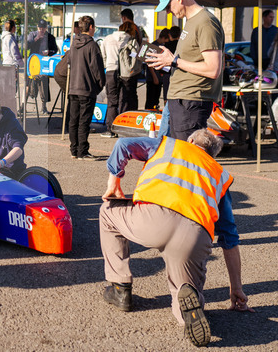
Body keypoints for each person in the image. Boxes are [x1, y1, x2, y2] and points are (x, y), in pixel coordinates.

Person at [99, 129, 252, 347]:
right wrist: (236, 288)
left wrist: (114, 181)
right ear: (212, 155)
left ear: (190, 140)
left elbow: (123, 145)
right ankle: (187, 308)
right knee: (184, 291)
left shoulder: (168, 145)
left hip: (152, 219)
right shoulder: (218, 174)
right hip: (194, 236)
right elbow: (230, 238)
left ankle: (120, 287)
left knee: (107, 213)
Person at [146, 0, 224, 141]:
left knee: (185, 158)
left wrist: (174, 61)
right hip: (182, 100)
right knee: (174, 155)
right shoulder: (192, 21)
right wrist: (166, 62)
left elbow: (213, 69)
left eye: (168, 7)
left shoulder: (205, 22)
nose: (168, 12)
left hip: (191, 102)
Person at [54, 16, 105, 160]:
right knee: (84, 121)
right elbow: (97, 69)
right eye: (94, 27)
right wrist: (99, 85)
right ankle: (82, 150)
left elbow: (68, 63)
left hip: (73, 87)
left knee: (74, 120)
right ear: (90, 27)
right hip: (86, 88)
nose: (94, 30)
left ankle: (74, 149)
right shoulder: (92, 45)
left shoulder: (73, 45)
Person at [100, 22, 131, 138]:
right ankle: (123, 127)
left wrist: (107, 65)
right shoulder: (129, 39)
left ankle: (111, 129)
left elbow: (103, 56)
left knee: (112, 101)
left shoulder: (107, 39)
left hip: (111, 70)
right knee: (124, 100)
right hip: (125, 72)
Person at [26, 19, 58, 112]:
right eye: (40, 28)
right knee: (28, 84)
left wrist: (49, 52)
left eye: (43, 28)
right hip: (33, 63)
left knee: (44, 85)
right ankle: (23, 106)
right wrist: (36, 38)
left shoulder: (50, 37)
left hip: (44, 64)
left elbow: (55, 50)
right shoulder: (32, 35)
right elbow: (27, 46)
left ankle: (43, 107)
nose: (42, 30)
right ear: (37, 27)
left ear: (46, 28)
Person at [143, 28, 172, 110]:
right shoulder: (154, 46)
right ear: (163, 38)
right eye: (166, 39)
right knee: (151, 100)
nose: (166, 42)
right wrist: (155, 77)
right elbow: (149, 63)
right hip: (153, 78)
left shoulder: (159, 45)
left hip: (158, 77)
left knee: (155, 99)